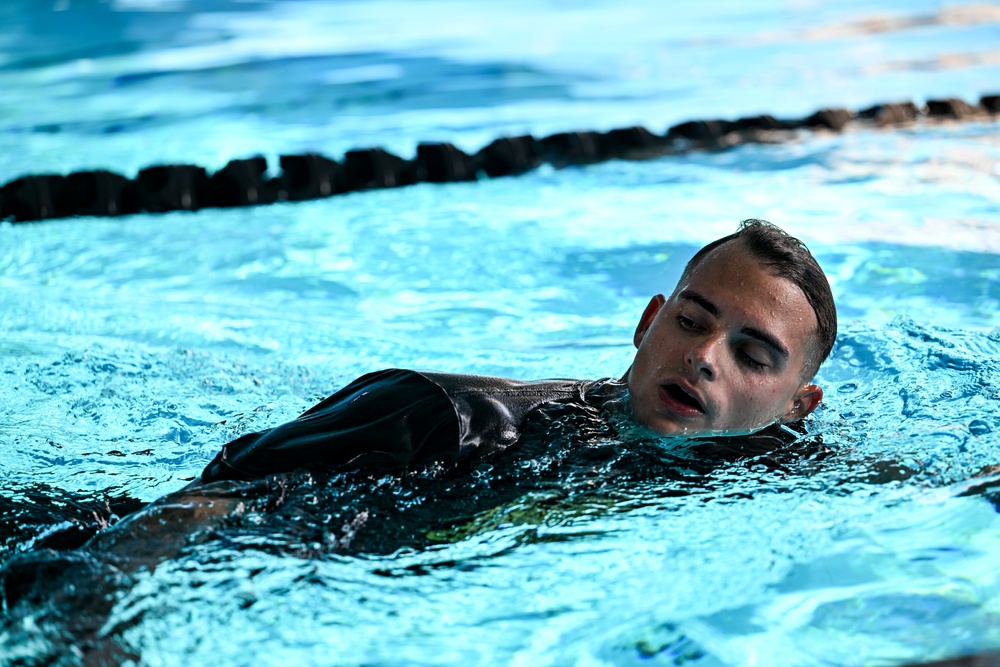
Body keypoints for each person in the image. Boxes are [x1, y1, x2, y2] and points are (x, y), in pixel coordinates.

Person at [195, 217, 837, 486]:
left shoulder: (772, 473)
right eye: (692, 320)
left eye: (753, 358)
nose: (704, 356)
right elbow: (213, 503)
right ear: (648, 323)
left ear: (795, 407)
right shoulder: (444, 416)